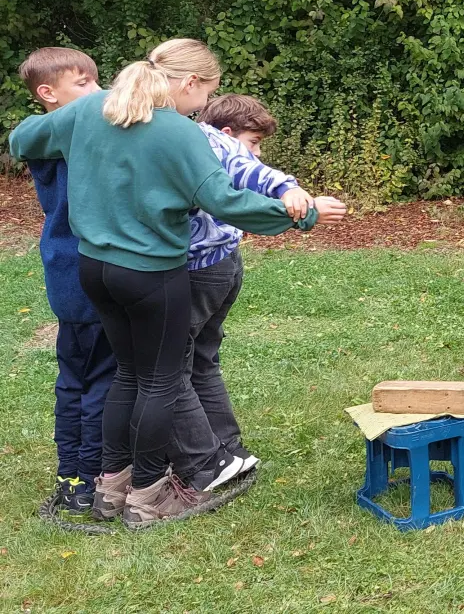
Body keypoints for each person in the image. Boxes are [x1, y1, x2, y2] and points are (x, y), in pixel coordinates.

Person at [7, 39, 345, 525]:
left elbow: (23, 140)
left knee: (127, 375)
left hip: (93, 269)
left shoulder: (91, 111)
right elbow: (225, 202)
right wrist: (303, 214)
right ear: (187, 84)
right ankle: (148, 497)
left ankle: (110, 489)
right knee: (160, 382)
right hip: (150, 275)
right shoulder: (178, 133)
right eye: (204, 93)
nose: (204, 106)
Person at [178, 94, 314, 481]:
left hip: (201, 267)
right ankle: (229, 449)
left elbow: (250, 171)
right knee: (203, 359)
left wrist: (287, 190)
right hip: (225, 263)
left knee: (177, 365)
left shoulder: (203, 145)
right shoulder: (210, 143)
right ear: (228, 134)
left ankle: (209, 458)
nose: (254, 154)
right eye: (253, 143)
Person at [18, 48, 114, 516]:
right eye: (83, 85)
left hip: (72, 271)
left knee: (80, 377)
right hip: (82, 273)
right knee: (94, 380)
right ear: (47, 94)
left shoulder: (61, 133)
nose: (95, 94)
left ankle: (77, 472)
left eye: (97, 83)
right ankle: (85, 478)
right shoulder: (56, 138)